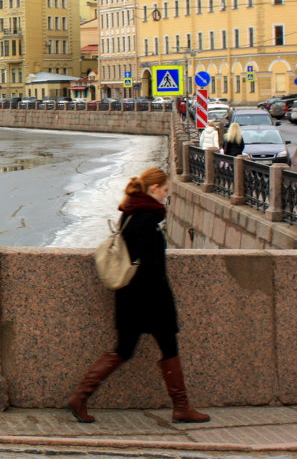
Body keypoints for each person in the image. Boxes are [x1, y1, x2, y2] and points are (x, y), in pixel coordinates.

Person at [69, 168, 210, 424]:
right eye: (165, 190)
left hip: (132, 297)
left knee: (132, 348)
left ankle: (81, 396)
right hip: (149, 297)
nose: (167, 196)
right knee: (152, 347)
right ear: (154, 189)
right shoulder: (146, 217)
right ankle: (181, 407)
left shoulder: (132, 213)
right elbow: (151, 264)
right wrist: (163, 298)